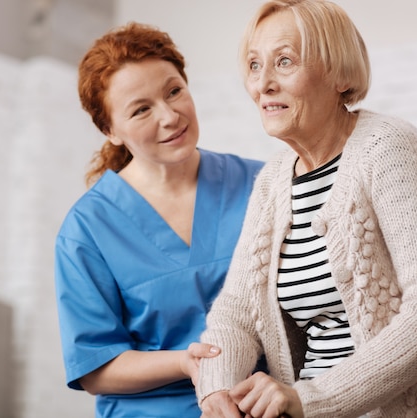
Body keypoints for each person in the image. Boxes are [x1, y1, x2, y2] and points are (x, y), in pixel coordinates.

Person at [195, 1, 417, 417]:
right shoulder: (271, 181)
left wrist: (311, 397)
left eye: (284, 62)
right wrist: (217, 389)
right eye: (253, 65)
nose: (263, 83)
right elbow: (237, 311)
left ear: (339, 73)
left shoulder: (389, 147)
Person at [53, 22, 263, 418]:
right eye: (141, 109)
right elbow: (95, 367)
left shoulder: (263, 184)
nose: (170, 116)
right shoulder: (87, 230)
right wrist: (186, 362)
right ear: (109, 130)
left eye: (174, 91)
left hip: (260, 404)